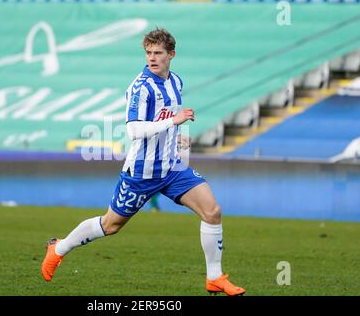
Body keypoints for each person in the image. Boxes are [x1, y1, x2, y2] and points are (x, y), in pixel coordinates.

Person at [41, 28, 245, 296]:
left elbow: (164, 120)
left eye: (158, 53)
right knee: (110, 225)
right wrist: (174, 122)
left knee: (213, 211)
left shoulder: (176, 82)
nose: (152, 58)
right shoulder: (141, 88)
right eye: (148, 52)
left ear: (171, 54)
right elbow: (134, 130)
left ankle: (214, 277)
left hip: (172, 167)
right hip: (141, 172)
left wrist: (178, 137)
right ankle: (59, 248)